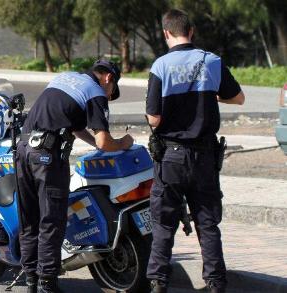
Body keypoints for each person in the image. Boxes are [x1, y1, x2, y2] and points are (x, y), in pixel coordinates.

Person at [145, 9, 245, 293]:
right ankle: (215, 283)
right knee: (207, 223)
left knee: (164, 224)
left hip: (171, 158)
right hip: (204, 156)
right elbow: (238, 97)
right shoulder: (211, 61)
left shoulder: (161, 66)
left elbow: (154, 119)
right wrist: (209, 92)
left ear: (166, 33)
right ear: (192, 31)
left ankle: (158, 283)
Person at [16, 60, 133, 293]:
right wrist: (123, 143)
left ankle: (31, 281)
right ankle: (47, 284)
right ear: (109, 78)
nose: (108, 97)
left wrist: (96, 146)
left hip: (23, 150)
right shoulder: (95, 91)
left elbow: (75, 127)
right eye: (112, 92)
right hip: (47, 157)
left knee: (29, 220)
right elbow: (104, 140)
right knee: (51, 220)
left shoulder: (64, 78)